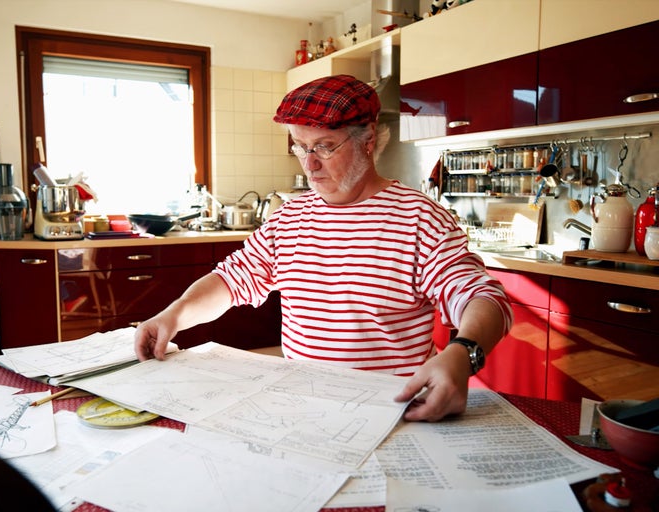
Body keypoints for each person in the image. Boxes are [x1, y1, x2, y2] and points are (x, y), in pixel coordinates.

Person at [135, 74, 513, 422]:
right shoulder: (291, 217)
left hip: (392, 411)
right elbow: (233, 279)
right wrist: (174, 315)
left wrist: (462, 354)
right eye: (300, 147)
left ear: (368, 141)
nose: (310, 164)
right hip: (304, 406)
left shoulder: (418, 218)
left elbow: (483, 297)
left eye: (324, 147)